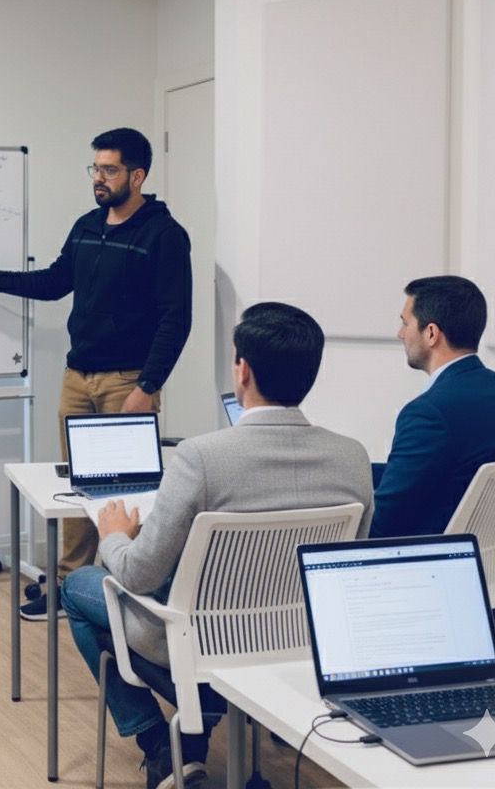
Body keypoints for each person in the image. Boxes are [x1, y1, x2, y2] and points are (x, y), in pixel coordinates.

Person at [61, 303, 372, 788]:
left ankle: (163, 744)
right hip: (301, 642)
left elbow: (139, 575)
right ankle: (193, 728)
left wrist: (114, 535)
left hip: (201, 640)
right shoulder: (352, 458)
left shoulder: (201, 457)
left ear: (242, 370)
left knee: (79, 586)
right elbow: (348, 570)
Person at [0, 127, 192, 619]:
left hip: (129, 381)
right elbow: (57, 282)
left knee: (130, 494)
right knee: (79, 489)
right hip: (77, 377)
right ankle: (70, 586)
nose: (98, 179)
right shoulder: (87, 225)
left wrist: (148, 386)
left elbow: (176, 317)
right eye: (95, 169)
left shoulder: (163, 235)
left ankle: (133, 589)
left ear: (137, 174)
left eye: (109, 170)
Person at [370, 277, 495, 621]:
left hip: (435, 587)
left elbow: (383, 525)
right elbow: (454, 473)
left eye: (405, 323)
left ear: (431, 333)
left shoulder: (428, 412)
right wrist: (357, 470)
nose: (401, 333)